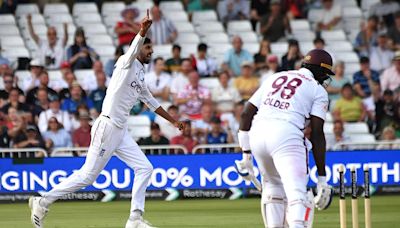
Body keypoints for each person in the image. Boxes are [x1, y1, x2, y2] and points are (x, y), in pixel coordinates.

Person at [29, 11, 185, 228]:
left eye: (151, 48)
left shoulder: (140, 73)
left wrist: (174, 121)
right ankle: (43, 200)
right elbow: (131, 51)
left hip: (120, 131)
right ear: (139, 47)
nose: (151, 52)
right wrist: (141, 31)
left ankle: (135, 219)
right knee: (87, 177)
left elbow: (151, 102)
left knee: (145, 168)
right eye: (148, 48)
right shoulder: (125, 63)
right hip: (107, 126)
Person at [235, 49, 333, 227]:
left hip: (258, 134)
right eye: (325, 73)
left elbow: (245, 115)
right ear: (319, 70)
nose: (325, 78)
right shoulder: (317, 90)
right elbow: (318, 133)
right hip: (286, 135)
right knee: (297, 191)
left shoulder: (275, 77)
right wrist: (322, 178)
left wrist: (246, 155)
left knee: (273, 187)